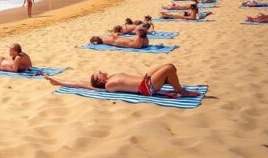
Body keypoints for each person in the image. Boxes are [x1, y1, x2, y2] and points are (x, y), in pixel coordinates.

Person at [44, 63, 199, 98]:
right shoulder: (109, 85)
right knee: (169, 69)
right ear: (100, 81)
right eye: (99, 74)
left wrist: (58, 79)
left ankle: (168, 83)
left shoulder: (110, 78)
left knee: (166, 65)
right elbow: (81, 84)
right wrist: (58, 82)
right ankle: (182, 92)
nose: (102, 72)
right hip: (147, 87)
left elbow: (80, 80)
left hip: (146, 80)